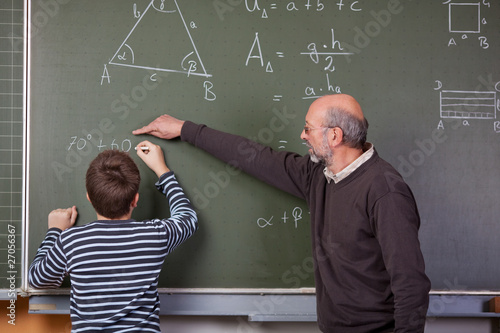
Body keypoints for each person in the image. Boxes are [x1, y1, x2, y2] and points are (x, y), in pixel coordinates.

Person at [132, 94, 431, 332]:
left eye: (308, 128)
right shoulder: (318, 175)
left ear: (335, 136)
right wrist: (186, 129)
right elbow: (255, 157)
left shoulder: (384, 192)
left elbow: (410, 282)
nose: (302, 135)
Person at [29, 140, 198, 332]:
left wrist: (55, 231)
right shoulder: (155, 236)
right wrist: (162, 171)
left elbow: (37, 278)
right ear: (135, 199)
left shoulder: (72, 242)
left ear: (89, 198)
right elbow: (188, 218)